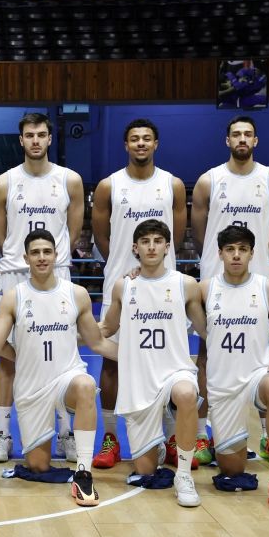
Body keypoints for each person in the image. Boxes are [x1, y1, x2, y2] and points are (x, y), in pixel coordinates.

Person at [0, 229, 116, 507]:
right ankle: (45, 452)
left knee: (86, 385)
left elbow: (97, 342)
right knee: (38, 466)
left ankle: (83, 473)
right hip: (31, 388)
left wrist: (135, 359)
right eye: (35, 253)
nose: (41, 257)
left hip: (67, 378)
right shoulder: (14, 297)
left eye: (47, 252)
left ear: (56, 255)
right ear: (26, 258)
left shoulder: (76, 294)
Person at [0, 112, 84, 463]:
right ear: (21, 140)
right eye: (29, 135)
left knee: (60, 355)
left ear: (50, 138)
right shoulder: (4, 182)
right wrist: (18, 256)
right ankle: (4, 434)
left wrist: (52, 258)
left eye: (41, 134)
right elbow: (0, 233)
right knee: (7, 356)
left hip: (55, 272)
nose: (36, 141)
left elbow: (74, 230)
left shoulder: (69, 180)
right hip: (15, 272)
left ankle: (65, 432)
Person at [90, 118, 186, 469]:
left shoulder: (172, 185)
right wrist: (126, 265)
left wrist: (151, 267)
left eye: (147, 138)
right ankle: (111, 438)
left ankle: (172, 438)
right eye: (134, 139)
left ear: (156, 144)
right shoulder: (109, 186)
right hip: (120, 281)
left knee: (168, 361)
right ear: (126, 145)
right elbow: (102, 236)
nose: (141, 143)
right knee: (112, 362)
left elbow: (175, 235)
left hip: (163, 286)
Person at [191, 115, 269, 462]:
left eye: (248, 134)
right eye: (236, 134)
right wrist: (221, 262)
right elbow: (201, 235)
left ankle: (268, 437)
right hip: (216, 277)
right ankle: (202, 435)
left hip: (255, 278)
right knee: (206, 354)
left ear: (255, 141)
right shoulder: (209, 180)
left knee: (263, 358)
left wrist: (251, 263)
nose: (242, 139)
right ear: (227, 141)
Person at [99, 219, 207, 508]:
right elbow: (106, 329)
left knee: (186, 393)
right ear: (135, 248)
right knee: (145, 470)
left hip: (175, 371)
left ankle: (183, 476)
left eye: (157, 241)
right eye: (145, 242)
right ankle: (158, 446)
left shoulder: (186, 285)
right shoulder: (124, 286)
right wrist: (62, 329)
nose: (151, 247)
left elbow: (206, 330)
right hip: (140, 381)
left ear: (167, 247)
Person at [203, 225, 269, 515]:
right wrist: (135, 274)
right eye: (230, 249)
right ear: (220, 254)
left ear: (252, 254)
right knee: (232, 469)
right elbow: (161, 291)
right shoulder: (205, 289)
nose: (236, 255)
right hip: (223, 387)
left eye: (242, 249)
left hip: (258, 374)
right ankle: (232, 446)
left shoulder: (267, 288)